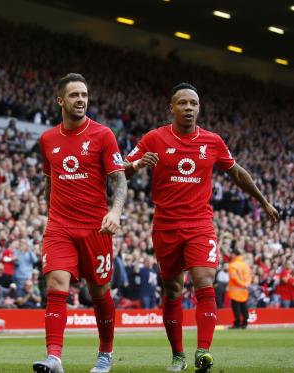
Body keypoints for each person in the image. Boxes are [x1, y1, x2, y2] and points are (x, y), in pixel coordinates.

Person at [124, 82, 280, 372]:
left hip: (200, 224)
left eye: (193, 104)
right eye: (182, 103)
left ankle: (203, 352)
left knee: (204, 281)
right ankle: (178, 356)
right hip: (166, 225)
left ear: (199, 108)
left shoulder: (212, 141)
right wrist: (136, 166)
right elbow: (121, 169)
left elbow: (237, 173)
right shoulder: (154, 138)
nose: (188, 108)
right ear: (172, 108)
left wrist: (265, 201)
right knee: (172, 290)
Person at [33, 73, 127, 373]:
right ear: (61, 100)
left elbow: (120, 179)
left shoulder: (103, 135)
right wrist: (50, 216)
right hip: (60, 226)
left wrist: (115, 211)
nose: (81, 100)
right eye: (74, 95)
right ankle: (54, 357)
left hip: (95, 228)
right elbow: (49, 182)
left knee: (99, 292)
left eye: (84, 95)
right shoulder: (47, 139)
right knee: (55, 284)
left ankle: (105, 354)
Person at [228, 248, 251, 329]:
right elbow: (249, 276)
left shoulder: (232, 265)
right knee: (244, 306)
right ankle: (245, 322)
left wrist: (242, 284)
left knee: (236, 308)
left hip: (235, 291)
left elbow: (234, 278)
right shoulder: (245, 265)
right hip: (244, 290)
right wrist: (246, 284)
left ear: (234, 255)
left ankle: (237, 323)